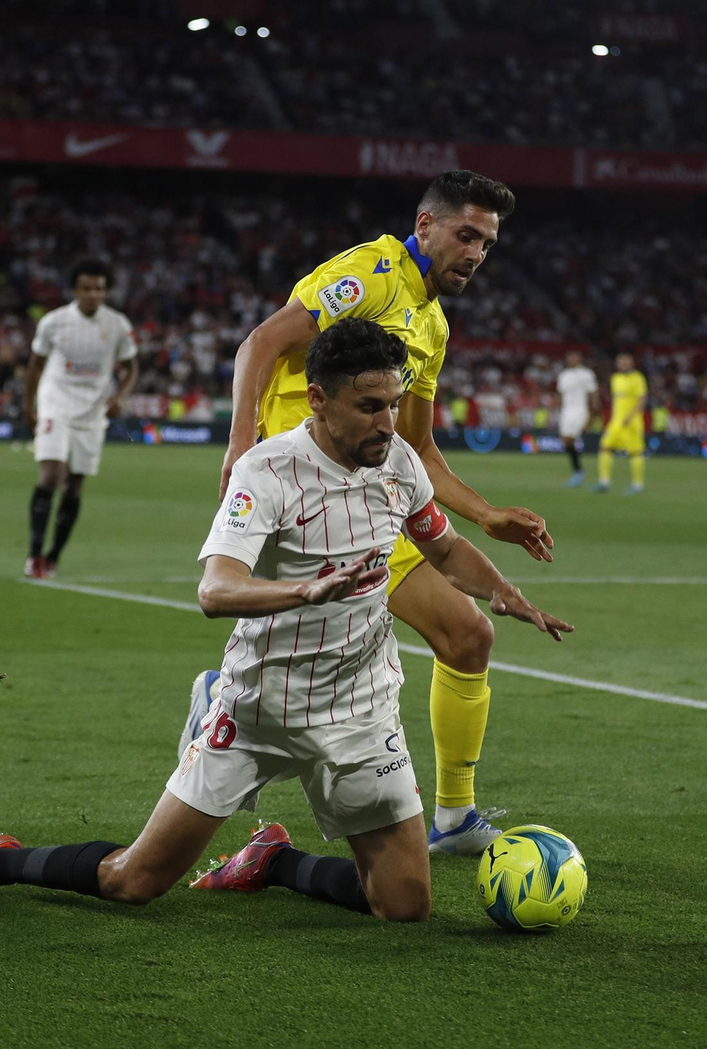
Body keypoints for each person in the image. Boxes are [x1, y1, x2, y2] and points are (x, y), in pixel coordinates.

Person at [0, 318, 571, 921]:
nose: (388, 422)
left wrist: (501, 590)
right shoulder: (268, 471)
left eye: (394, 403)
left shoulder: (397, 464)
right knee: (134, 881)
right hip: (261, 706)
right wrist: (305, 592)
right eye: (370, 405)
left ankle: (269, 861)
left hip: (365, 709)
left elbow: (443, 546)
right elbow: (216, 589)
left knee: (402, 904)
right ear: (319, 399)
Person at [198, 169, 556, 856]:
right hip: (300, 491)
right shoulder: (370, 277)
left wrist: (484, 515)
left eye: (487, 243)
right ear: (425, 226)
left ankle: (453, 817)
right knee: (316, 667)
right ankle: (220, 704)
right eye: (466, 235)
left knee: (467, 636)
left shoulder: (433, 323)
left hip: (368, 498)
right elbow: (261, 343)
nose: (477, 254)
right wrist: (242, 445)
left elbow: (415, 443)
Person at [21, 258, 139, 579]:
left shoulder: (116, 324)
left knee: (74, 485)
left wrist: (120, 397)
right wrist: (28, 406)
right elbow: (35, 364)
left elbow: (131, 367)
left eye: (99, 289)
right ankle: (34, 556)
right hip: (55, 403)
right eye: (86, 288)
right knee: (50, 475)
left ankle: (53, 556)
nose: (92, 294)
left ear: (106, 291)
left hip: (92, 411)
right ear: (74, 290)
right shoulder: (54, 322)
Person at [594, 353, 648, 493]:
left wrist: (630, 416)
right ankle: (604, 482)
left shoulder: (637, 378)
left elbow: (641, 399)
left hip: (632, 421)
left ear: (631, 363)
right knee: (605, 447)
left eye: (625, 362)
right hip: (616, 421)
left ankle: (637, 485)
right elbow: (616, 401)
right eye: (620, 362)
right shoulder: (615, 378)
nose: (622, 364)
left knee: (635, 452)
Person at [555, 350, 599, 486]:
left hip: (580, 410)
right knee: (565, 441)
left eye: (574, 356)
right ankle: (578, 471)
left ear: (579, 359)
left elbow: (593, 394)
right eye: (570, 357)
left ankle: (578, 473)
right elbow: (561, 395)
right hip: (566, 411)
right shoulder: (564, 375)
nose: (572, 359)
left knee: (570, 439)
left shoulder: (586, 374)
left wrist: (593, 414)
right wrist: (559, 409)